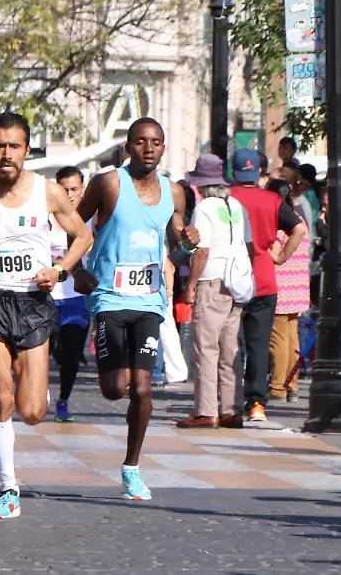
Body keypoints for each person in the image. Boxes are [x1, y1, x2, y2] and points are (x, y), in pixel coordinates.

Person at [0, 112, 92, 519]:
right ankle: (8, 486)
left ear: (27, 150)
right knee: (0, 391)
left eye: (14, 146)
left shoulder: (48, 193)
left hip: (32, 301)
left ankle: (38, 388)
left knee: (30, 412)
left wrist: (60, 271)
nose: (6, 154)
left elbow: (82, 235)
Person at [72, 117, 194, 502]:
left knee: (142, 388)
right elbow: (72, 225)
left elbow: (177, 239)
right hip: (108, 297)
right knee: (114, 389)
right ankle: (111, 363)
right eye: (140, 142)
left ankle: (131, 468)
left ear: (163, 148)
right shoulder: (109, 183)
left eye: (156, 142)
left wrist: (188, 243)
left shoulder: (174, 192)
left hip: (149, 302)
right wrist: (75, 269)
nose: (148, 148)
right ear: (128, 147)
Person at [229, 149, 307, 422]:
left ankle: (227, 399)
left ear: (233, 172)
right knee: (258, 345)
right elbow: (299, 228)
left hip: (229, 280)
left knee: (226, 343)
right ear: (258, 173)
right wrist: (283, 257)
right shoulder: (272, 199)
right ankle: (256, 404)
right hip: (263, 279)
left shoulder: (227, 198)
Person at [177, 154, 247, 429]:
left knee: (206, 349)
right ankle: (231, 409)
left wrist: (191, 285)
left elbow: (202, 251)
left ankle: (206, 410)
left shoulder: (204, 208)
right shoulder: (235, 206)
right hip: (235, 282)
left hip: (212, 282)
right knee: (231, 350)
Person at [50, 166, 91, 423]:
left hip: (77, 298)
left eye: (74, 189)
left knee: (72, 352)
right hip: (48, 297)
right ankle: (38, 390)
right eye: (64, 189)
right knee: (48, 349)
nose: (70, 194)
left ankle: (63, 400)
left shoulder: (89, 220)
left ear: (82, 189)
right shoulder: (45, 217)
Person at [264, 179, 311, 404]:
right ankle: (292, 384)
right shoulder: (299, 220)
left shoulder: (277, 223)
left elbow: (273, 251)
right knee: (292, 340)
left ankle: (277, 387)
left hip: (281, 288)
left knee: (278, 340)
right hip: (299, 288)